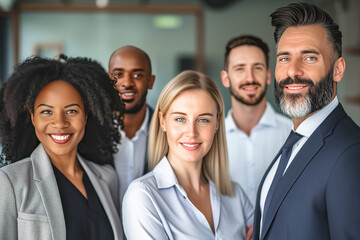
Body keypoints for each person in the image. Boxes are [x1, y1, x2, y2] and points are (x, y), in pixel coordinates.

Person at [253, 2, 360, 240]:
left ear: (338, 69)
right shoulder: (297, 139)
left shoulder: (351, 153)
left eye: (310, 57)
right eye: (284, 58)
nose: (293, 70)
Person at [0, 55, 125, 240]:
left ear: (86, 116)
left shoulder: (108, 178)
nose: (59, 123)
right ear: (33, 117)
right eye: (46, 112)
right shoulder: (10, 182)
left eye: (71, 111)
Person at [122, 70, 254, 240]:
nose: (191, 133)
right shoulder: (142, 196)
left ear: (217, 124)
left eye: (203, 120)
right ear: (162, 121)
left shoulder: (235, 195)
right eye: (180, 119)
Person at [221, 35, 292, 204]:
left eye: (257, 68)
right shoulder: (211, 137)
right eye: (240, 69)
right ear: (226, 78)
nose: (250, 78)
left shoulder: (292, 134)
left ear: (268, 75)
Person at [108, 46, 155, 203]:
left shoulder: (168, 130)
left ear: (150, 81)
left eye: (137, 75)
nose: (127, 83)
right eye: (118, 74)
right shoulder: (89, 131)